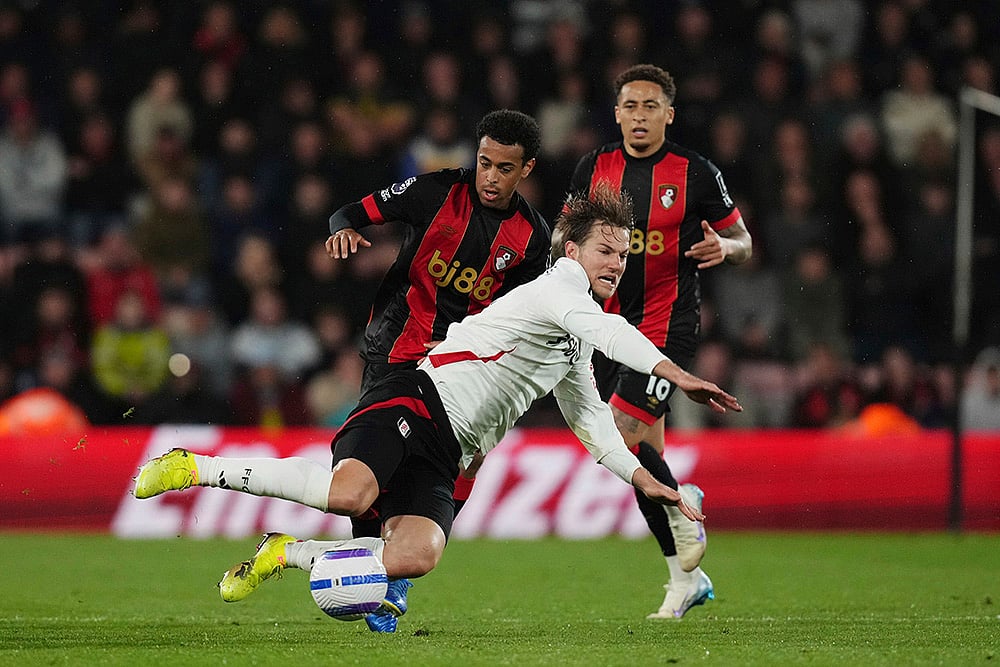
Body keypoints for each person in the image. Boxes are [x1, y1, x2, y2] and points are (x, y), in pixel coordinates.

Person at [132, 184, 742, 627]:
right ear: (573, 252)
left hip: (449, 451)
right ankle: (196, 466)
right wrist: (676, 374)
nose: (618, 263)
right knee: (351, 495)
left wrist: (645, 479)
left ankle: (287, 552)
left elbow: (591, 425)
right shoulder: (561, 288)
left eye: (625, 254)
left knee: (416, 556)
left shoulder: (578, 332)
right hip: (417, 398)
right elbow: (615, 336)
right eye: (606, 251)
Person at [322, 109, 552, 631]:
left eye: (504, 168)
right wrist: (342, 233)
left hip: (461, 370)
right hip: (393, 353)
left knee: (461, 466)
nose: (490, 177)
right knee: (367, 473)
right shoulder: (434, 192)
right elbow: (348, 213)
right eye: (484, 163)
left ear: (527, 169)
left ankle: (392, 574)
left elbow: (534, 311)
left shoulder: (533, 240)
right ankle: (370, 578)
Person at [568, 63, 753, 619]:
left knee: (620, 433)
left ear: (668, 114)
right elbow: (567, 237)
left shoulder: (695, 172)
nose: (639, 116)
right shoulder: (594, 167)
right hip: (607, 328)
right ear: (617, 112)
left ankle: (686, 504)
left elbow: (743, 239)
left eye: (651, 106)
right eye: (630, 105)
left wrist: (728, 250)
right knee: (643, 460)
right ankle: (683, 579)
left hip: (667, 329)